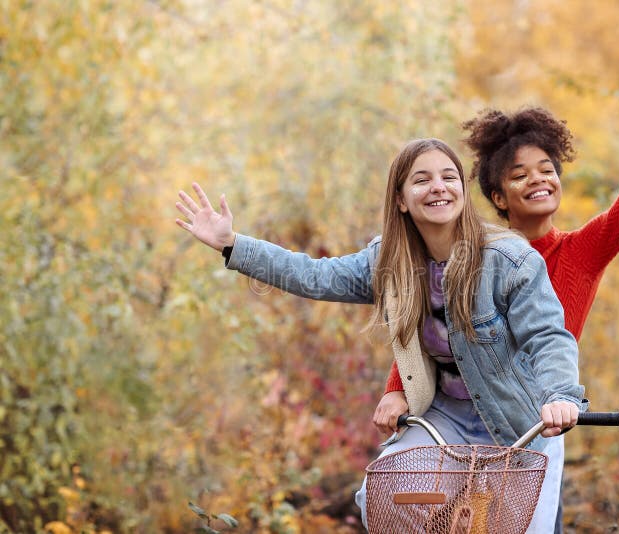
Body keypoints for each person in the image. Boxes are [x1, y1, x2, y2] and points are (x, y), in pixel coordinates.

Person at [175, 137, 586, 532]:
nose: (438, 187)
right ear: (401, 200)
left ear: (463, 190)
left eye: (449, 177)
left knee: (517, 526)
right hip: (445, 421)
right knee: (383, 497)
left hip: (522, 420)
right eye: (422, 180)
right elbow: (314, 276)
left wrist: (561, 397)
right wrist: (232, 244)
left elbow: (548, 336)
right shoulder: (388, 261)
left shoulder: (511, 260)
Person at [372, 22, 619, 533]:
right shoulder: (472, 253)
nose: (538, 179)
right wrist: (396, 389)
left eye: (546, 169)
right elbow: (429, 331)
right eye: (519, 175)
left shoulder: (583, 252)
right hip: (461, 419)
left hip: (533, 427)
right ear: (497, 197)